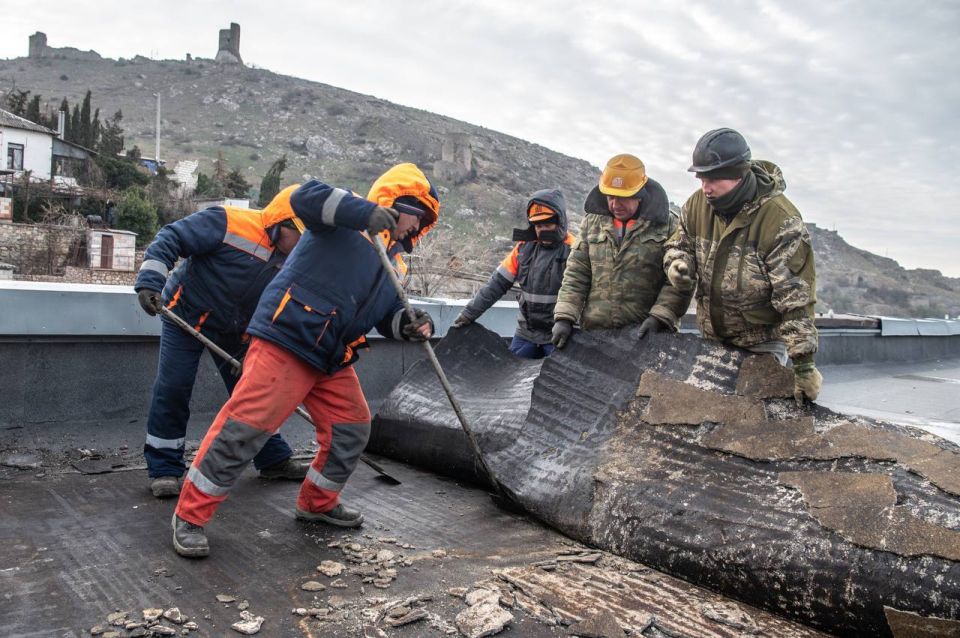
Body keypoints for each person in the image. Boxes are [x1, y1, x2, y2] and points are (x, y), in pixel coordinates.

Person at [170, 163, 440, 557]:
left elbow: (383, 315)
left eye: (424, 224)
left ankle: (317, 503)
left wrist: (409, 324)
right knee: (245, 428)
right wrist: (363, 213)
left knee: (351, 428)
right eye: (418, 218)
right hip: (288, 338)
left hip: (330, 354)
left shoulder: (393, 262)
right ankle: (189, 517)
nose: (417, 228)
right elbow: (303, 197)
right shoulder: (343, 220)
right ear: (401, 205)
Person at [135, 186, 311, 499]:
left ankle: (272, 458)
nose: (303, 244)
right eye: (301, 234)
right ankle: (164, 469)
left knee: (254, 393)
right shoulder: (228, 222)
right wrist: (150, 281)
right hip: (185, 316)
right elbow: (171, 237)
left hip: (236, 331)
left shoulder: (295, 258)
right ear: (281, 223)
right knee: (174, 386)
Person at [660, 128, 821, 404]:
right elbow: (679, 244)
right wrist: (677, 263)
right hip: (712, 338)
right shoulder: (697, 205)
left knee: (755, 412)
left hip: (761, 344)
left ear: (739, 174)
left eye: (713, 179)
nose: (706, 188)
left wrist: (804, 366)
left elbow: (795, 299)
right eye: (701, 179)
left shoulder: (780, 220)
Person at [552, 154, 684, 347]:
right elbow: (577, 272)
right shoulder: (592, 222)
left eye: (623, 198)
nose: (615, 204)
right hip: (596, 334)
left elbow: (677, 281)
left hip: (646, 335)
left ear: (640, 194)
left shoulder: (668, 225)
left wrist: (660, 317)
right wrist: (564, 316)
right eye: (610, 197)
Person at [452, 189, 575, 358]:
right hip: (527, 333)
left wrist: (566, 323)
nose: (542, 231)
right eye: (538, 226)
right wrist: (469, 313)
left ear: (560, 222)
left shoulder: (575, 250)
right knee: (512, 369)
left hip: (560, 333)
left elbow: (580, 291)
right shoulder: (523, 248)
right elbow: (497, 284)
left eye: (548, 225)